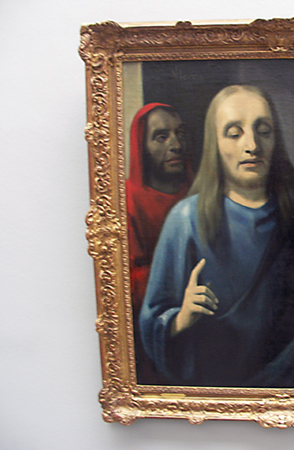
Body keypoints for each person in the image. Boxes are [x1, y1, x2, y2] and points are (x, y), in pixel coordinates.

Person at [139, 85, 294, 387]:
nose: (252, 145)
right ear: (215, 144)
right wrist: (181, 318)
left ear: (276, 139)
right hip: (220, 388)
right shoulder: (185, 220)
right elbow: (152, 321)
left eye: (263, 131)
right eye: (234, 134)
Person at [126, 103, 194, 384]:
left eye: (180, 134)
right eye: (161, 137)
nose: (176, 145)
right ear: (141, 146)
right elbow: (129, 277)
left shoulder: (197, 192)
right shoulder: (128, 200)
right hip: (154, 325)